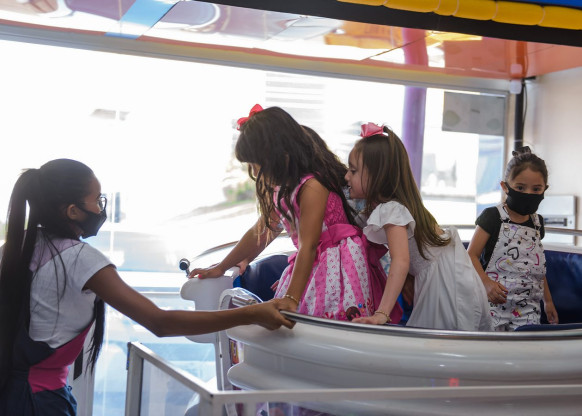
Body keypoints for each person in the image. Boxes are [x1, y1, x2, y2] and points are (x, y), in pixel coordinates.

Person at [0, 159, 294, 416]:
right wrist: (251, 313)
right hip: (40, 402)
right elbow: (160, 322)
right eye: (97, 200)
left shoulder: (17, 247)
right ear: (73, 211)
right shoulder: (79, 259)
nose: (101, 207)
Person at [191, 105, 402, 323]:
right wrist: (222, 267)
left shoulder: (312, 186)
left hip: (336, 265)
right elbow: (261, 231)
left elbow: (308, 245)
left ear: (279, 157)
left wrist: (291, 297)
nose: (254, 172)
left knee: (326, 318)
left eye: (256, 164)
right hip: (312, 261)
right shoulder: (282, 189)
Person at [348, 122, 492, 331]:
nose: (347, 177)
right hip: (438, 273)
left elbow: (400, 260)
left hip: (444, 279)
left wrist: (381, 313)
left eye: (353, 171)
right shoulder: (378, 209)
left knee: (443, 340)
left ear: (377, 175)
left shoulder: (391, 209)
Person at [467, 146, 559, 331]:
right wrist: (486, 284)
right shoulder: (492, 216)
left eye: (536, 189)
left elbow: (537, 266)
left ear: (544, 190)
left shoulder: (537, 223)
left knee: (525, 346)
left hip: (528, 308)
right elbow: (470, 255)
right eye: (520, 188)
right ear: (505, 186)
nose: (528, 194)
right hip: (492, 303)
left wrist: (548, 301)